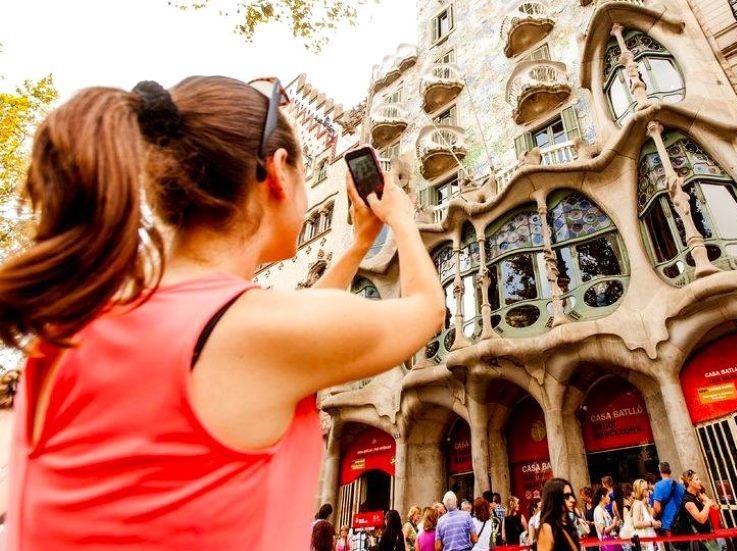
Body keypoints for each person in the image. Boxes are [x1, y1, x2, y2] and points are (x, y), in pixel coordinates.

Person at [0, 77, 445, 550]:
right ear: (277, 172)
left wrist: (356, 246)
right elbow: (427, 309)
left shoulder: (77, 327)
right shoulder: (253, 332)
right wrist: (401, 218)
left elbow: (283, 326)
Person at [671, 470, 716, 551]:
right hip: (701, 541)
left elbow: (715, 506)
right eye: (697, 479)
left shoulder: (696, 495)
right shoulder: (688, 501)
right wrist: (707, 504)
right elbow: (701, 519)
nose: (700, 481)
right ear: (690, 482)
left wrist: (705, 499)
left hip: (707, 536)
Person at [536, 478, 582, 551]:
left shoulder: (568, 523)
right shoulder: (547, 528)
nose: (572, 500)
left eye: (571, 495)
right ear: (555, 498)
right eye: (566, 496)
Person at [651, 461, 685, 536]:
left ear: (660, 471)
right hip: (683, 522)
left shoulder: (658, 486)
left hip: (669, 525)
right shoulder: (678, 485)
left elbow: (657, 508)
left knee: (674, 546)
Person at [631, 479, 659, 551]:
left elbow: (651, 518)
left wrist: (656, 523)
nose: (648, 491)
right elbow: (636, 523)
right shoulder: (637, 504)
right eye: (646, 489)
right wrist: (651, 523)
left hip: (651, 538)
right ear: (640, 491)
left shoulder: (646, 504)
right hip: (645, 541)